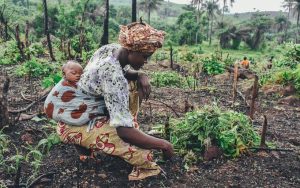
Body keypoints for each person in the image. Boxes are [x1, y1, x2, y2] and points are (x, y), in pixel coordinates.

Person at [44, 21, 174, 181]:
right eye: (145, 57)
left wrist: (140, 75)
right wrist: (164, 145)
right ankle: (143, 168)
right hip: (71, 122)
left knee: (132, 83)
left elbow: (125, 70)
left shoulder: (110, 49)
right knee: (143, 153)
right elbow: (124, 132)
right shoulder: (113, 77)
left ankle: (86, 143)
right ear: (130, 49)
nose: (145, 62)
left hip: (77, 108)